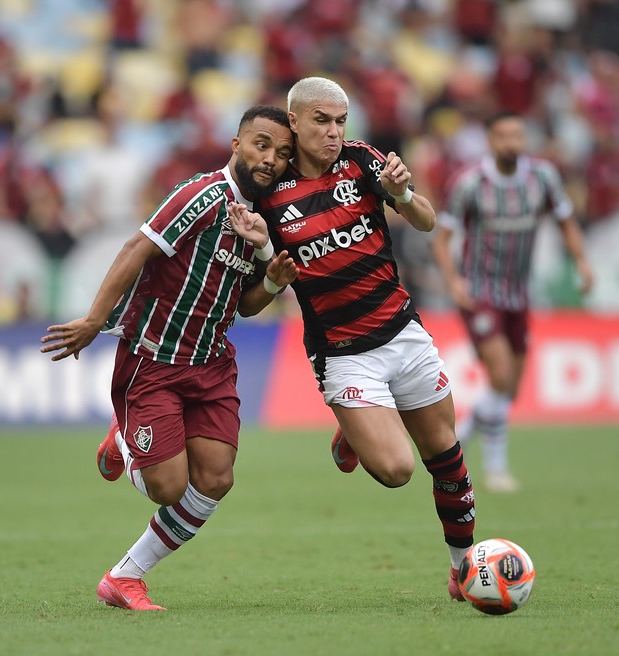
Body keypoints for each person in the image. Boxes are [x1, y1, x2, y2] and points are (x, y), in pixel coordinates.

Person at [40, 105, 297, 611]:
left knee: (216, 479)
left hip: (213, 365)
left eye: (283, 153)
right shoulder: (200, 195)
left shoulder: (264, 221)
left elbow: (245, 305)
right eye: (262, 145)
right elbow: (136, 249)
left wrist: (271, 280)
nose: (271, 159)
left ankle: (124, 577)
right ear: (237, 145)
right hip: (155, 358)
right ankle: (123, 440)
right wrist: (94, 319)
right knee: (168, 487)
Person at [255, 77, 476, 601]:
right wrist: (270, 275)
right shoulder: (267, 192)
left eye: (340, 121)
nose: (334, 132)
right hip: (343, 353)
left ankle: (464, 568)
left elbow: (426, 221)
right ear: (294, 122)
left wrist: (402, 193)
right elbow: (249, 296)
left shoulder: (361, 161)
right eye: (321, 121)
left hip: (403, 332)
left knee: (446, 456)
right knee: (397, 470)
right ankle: (358, 425)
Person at [431, 111, 594, 493]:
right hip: (480, 292)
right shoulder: (470, 183)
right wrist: (453, 281)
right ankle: (496, 468)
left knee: (509, 391)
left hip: (520, 293)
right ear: (491, 141)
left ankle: (459, 439)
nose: (511, 142)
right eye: (503, 135)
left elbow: (566, 221)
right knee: (500, 375)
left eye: (517, 135)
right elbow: (442, 238)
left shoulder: (543, 178)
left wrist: (582, 261)